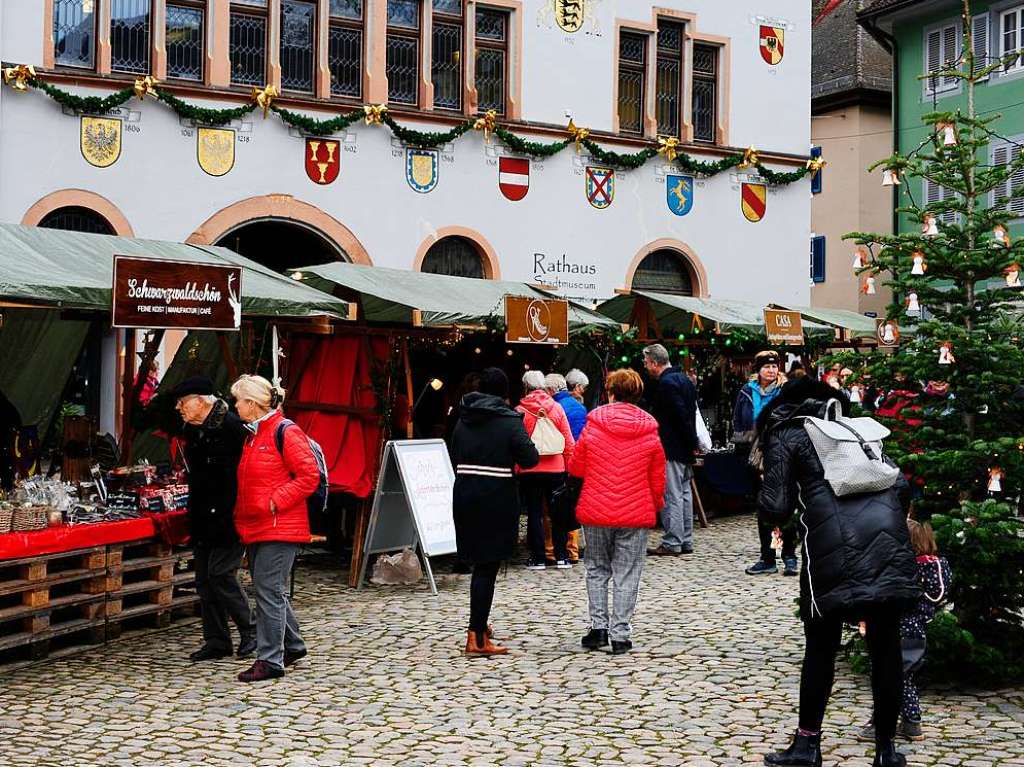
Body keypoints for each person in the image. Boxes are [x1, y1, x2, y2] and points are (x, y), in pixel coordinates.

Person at [757, 377, 920, 767]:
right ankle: (885, 750)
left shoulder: (789, 434)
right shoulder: (859, 430)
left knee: (821, 647)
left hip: (829, 550)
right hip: (887, 543)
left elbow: (775, 507)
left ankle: (807, 745)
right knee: (885, 648)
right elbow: (900, 486)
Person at [569, 369, 666, 655]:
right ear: (638, 394)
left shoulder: (593, 426)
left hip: (597, 510)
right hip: (635, 513)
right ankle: (621, 634)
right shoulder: (650, 431)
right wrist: (655, 506)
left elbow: (576, 467)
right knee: (627, 572)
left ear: (610, 392)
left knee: (596, 568)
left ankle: (599, 628)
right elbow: (657, 479)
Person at [231, 374, 320, 683]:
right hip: (258, 524)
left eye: (238, 400)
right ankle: (292, 645)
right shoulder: (254, 434)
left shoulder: (284, 431)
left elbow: (309, 476)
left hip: (279, 526)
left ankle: (270, 660)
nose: (235, 406)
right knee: (272, 592)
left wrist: (274, 501)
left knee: (268, 593)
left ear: (253, 404)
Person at [451, 368, 540, 656]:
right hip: (496, 496)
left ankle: (479, 627)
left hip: (465, 493)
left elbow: (454, 453)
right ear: (505, 392)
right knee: (487, 567)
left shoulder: (463, 418)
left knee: (480, 565)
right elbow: (530, 458)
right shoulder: (508, 421)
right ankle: (476, 635)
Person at [173, 377, 256, 662]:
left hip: (229, 514)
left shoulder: (232, 427)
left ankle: (251, 630)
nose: (179, 408)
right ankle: (217, 640)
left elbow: (246, 473)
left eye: (183, 402)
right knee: (204, 580)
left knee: (221, 574)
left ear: (201, 400)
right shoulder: (193, 429)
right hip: (202, 514)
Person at [859, 520, 952, 743]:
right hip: (908, 629)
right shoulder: (927, 565)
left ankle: (888, 722)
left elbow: (933, 594)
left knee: (892, 677)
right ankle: (909, 722)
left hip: (902, 629)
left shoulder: (916, 567)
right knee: (902, 676)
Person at [733, 351, 796, 576]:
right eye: (766, 366)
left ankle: (789, 555)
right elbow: (738, 422)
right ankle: (769, 556)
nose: (771, 370)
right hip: (756, 455)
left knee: (785, 506)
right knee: (765, 508)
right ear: (757, 370)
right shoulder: (746, 392)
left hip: (781, 453)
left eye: (774, 366)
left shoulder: (785, 390)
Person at [642, 344, 699, 556]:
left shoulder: (667, 384)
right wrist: (692, 442)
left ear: (655, 363)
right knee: (684, 493)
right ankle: (685, 539)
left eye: (647, 363)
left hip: (671, 445)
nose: (646, 367)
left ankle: (673, 540)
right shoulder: (684, 379)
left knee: (672, 493)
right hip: (683, 445)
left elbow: (680, 415)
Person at [516, 370, 575, 570]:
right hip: (556, 468)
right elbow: (568, 440)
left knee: (534, 514)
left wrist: (517, 467)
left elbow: (516, 444)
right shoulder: (556, 408)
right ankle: (561, 556)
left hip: (530, 469)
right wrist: (568, 467)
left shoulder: (520, 410)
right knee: (557, 512)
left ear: (526, 387)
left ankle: (539, 558)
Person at [545, 372, 587, 564]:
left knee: (554, 506)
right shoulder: (579, 407)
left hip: (558, 461)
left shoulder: (554, 407)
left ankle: (552, 549)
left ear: (551, 390)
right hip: (577, 461)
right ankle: (573, 550)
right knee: (571, 505)